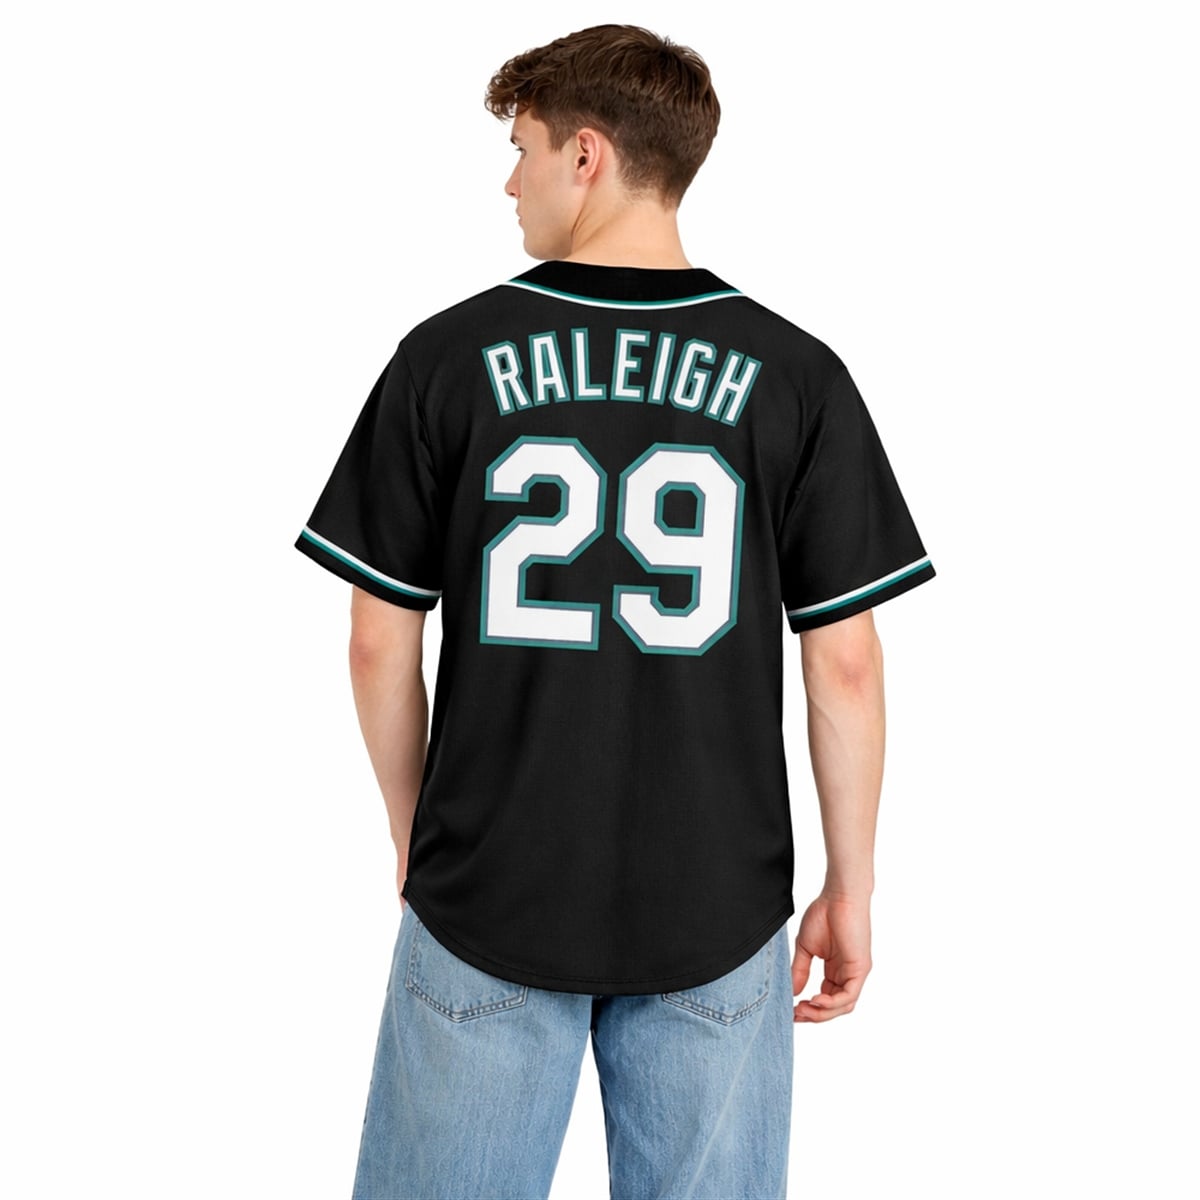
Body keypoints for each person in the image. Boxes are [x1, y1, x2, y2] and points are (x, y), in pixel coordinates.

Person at [295, 23, 935, 1200]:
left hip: (489, 883)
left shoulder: (447, 357)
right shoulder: (799, 375)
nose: (510, 181)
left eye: (522, 148)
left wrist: (414, 832)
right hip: (717, 902)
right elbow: (844, 666)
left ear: (585, 155)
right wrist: (852, 887)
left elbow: (378, 636)